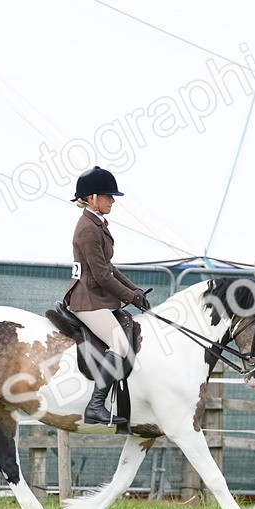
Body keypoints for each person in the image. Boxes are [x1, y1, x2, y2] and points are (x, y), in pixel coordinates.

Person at [62, 166, 151, 425]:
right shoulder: (88, 228)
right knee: (120, 344)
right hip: (87, 299)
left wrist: (133, 289)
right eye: (107, 195)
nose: (112, 200)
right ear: (91, 198)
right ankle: (96, 405)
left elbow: (109, 266)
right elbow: (101, 276)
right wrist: (131, 297)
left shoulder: (96, 224)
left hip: (96, 296)